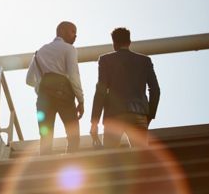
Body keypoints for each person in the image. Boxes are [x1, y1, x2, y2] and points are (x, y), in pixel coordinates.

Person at [90, 27, 160, 148]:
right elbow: (155, 90)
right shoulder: (145, 61)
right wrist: (149, 115)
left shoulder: (105, 60)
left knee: (110, 157)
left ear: (114, 43)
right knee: (140, 158)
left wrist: (94, 121)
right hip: (139, 113)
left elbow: (101, 91)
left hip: (113, 114)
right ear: (129, 42)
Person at [26, 21, 85, 155]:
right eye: (73, 31)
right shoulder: (69, 49)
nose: (75, 36)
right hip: (64, 94)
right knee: (73, 134)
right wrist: (81, 100)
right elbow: (74, 76)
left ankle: (46, 170)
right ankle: (70, 162)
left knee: (45, 137)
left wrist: (41, 86)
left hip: (43, 98)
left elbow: (29, 80)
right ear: (62, 31)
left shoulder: (38, 52)